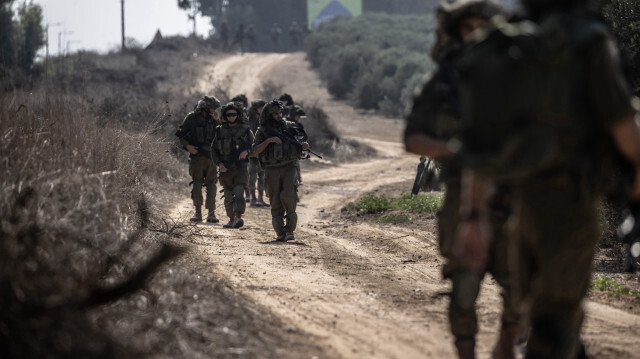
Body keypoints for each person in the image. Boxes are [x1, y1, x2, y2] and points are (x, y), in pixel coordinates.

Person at [453, 0, 640, 357]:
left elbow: (481, 145)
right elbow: (623, 127)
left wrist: (473, 216)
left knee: (542, 313)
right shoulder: (588, 41)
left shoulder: (502, 44)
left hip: (517, 202)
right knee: (555, 320)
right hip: (571, 202)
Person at [404, 2, 519, 358]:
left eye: (484, 27)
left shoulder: (520, 79)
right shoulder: (442, 84)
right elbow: (412, 140)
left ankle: (505, 345)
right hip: (460, 193)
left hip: (513, 192)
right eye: (469, 28)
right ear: (457, 34)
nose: (477, 35)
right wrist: (455, 150)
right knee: (464, 286)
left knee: (522, 283)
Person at [252, 99, 310, 241]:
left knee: (289, 196)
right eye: (275, 113)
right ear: (269, 115)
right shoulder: (263, 130)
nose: (279, 115)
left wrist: (304, 146)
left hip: (289, 166)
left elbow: (301, 142)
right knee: (275, 200)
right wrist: (268, 141)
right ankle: (280, 232)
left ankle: (290, 230)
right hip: (271, 169)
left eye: (280, 112)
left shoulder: (290, 126)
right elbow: (254, 151)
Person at [175, 95, 222, 223]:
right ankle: (198, 213)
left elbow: (223, 135)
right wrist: (188, 146)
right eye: (212, 108)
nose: (214, 110)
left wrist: (218, 121)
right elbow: (181, 134)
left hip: (211, 157)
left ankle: (211, 214)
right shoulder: (192, 118)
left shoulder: (215, 119)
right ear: (205, 108)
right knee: (197, 184)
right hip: (197, 157)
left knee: (211, 185)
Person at [211, 101, 254, 229]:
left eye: (234, 114)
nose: (231, 117)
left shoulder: (246, 130)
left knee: (239, 191)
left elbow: (254, 146)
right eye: (228, 115)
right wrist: (219, 164)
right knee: (228, 195)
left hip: (240, 168)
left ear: (238, 115)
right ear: (225, 115)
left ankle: (238, 217)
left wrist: (247, 151)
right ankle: (231, 219)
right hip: (226, 169)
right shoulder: (219, 130)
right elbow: (213, 150)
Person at [248, 99, 268, 206]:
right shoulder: (250, 121)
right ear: (256, 109)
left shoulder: (265, 121)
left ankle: (260, 198)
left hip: (262, 152)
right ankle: (253, 198)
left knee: (262, 176)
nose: (262, 110)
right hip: (252, 152)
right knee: (252, 176)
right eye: (260, 108)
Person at [291, 105, 307, 186]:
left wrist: (303, 146)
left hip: (297, 147)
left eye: (299, 116)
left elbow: (303, 137)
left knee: (296, 163)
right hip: (289, 147)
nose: (298, 118)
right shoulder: (287, 124)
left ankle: (298, 178)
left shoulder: (299, 126)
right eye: (297, 116)